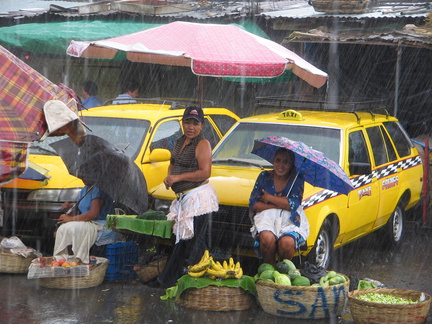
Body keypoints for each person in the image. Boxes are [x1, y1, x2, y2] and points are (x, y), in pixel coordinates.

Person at [156, 106, 219, 288]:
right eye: (187, 122)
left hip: (198, 199)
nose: (191, 127)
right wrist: (169, 176)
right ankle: (170, 280)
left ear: (202, 126)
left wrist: (179, 177)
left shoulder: (202, 144)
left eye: (195, 123)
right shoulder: (179, 142)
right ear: (182, 123)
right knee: (182, 242)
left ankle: (194, 283)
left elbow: (205, 172)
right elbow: (173, 162)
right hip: (183, 198)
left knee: (195, 245)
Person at [249, 147, 309, 266]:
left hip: (290, 220)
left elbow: (293, 204)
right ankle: (270, 270)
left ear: (292, 164)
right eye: (278, 160)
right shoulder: (264, 176)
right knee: (266, 239)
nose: (281, 165)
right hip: (266, 218)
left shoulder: (297, 179)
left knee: (287, 243)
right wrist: (278, 205)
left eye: (286, 162)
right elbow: (254, 204)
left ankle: (282, 272)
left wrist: (269, 198)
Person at [53, 183, 117, 264]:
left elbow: (93, 214)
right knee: (63, 228)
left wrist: (71, 219)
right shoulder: (85, 189)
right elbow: (81, 205)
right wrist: (70, 206)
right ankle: (62, 259)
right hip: (87, 221)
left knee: (71, 228)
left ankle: (80, 259)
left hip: (101, 223)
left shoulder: (97, 189)